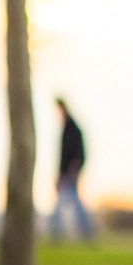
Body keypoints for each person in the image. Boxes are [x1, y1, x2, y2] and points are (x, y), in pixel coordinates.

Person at [50, 97, 96, 241]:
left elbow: (78, 153)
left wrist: (73, 169)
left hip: (71, 173)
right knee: (65, 203)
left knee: (74, 202)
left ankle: (87, 231)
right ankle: (58, 233)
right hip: (65, 173)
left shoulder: (73, 129)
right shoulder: (66, 128)